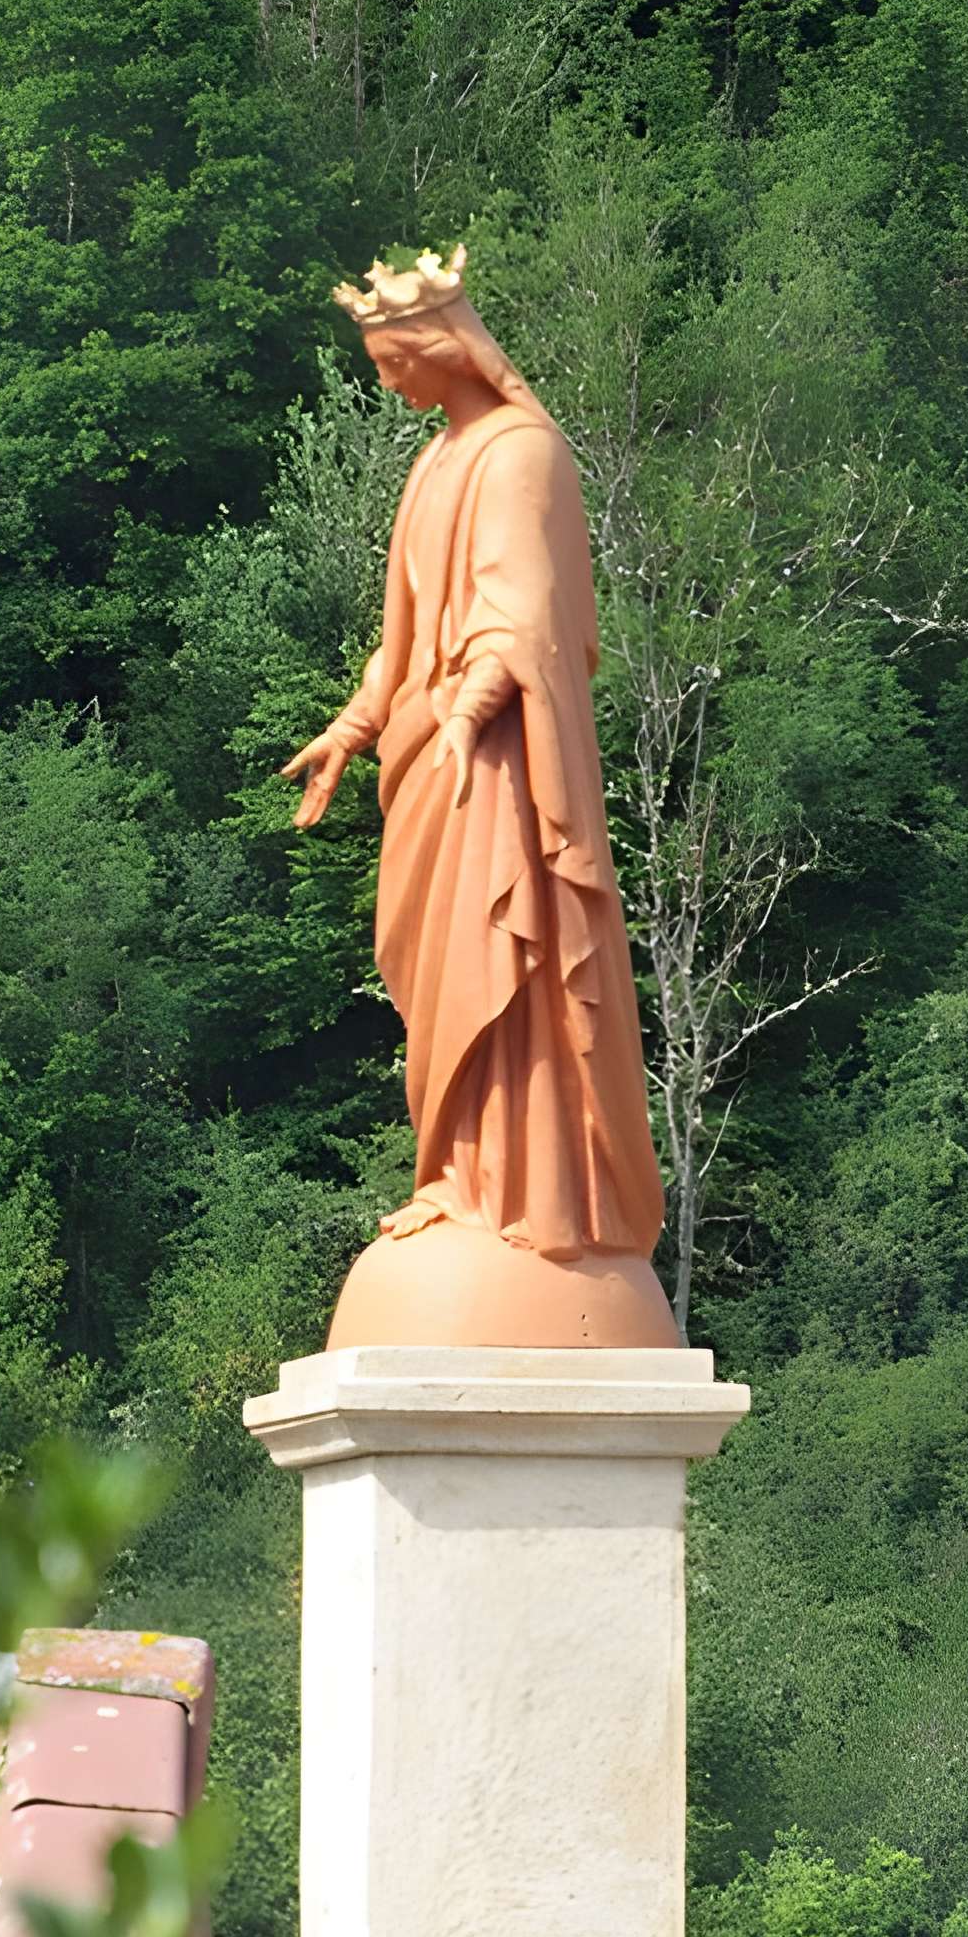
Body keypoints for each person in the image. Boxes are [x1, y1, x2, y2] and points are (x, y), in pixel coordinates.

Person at [281, 248, 673, 1343]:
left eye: (392, 362)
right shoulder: (431, 467)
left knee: (509, 960)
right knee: (434, 976)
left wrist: (466, 710)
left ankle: (527, 1192)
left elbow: (522, 610)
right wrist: (358, 727)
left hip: (498, 763)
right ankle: (455, 1175)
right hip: (429, 761)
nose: (387, 383)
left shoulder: (521, 453)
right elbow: (401, 638)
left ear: (438, 346)